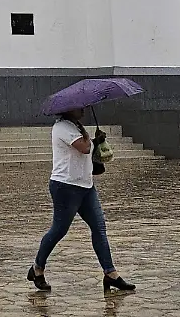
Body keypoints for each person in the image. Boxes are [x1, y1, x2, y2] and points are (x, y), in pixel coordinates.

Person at [27, 107, 134, 293]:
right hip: (66, 187)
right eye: (79, 108)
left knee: (99, 227)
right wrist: (91, 140)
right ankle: (37, 268)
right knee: (59, 230)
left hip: (86, 186)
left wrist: (97, 140)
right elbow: (83, 148)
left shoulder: (76, 126)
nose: (83, 110)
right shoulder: (62, 127)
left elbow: (85, 146)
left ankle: (110, 273)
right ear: (69, 109)